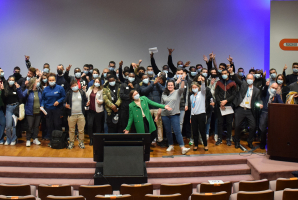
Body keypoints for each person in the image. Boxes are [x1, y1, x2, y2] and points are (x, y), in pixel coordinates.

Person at [157, 77, 190, 155]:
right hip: (164, 115)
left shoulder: (177, 92)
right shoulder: (164, 93)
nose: (170, 86)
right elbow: (161, 105)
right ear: (167, 86)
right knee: (168, 131)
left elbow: (182, 88)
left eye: (171, 85)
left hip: (174, 114)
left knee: (177, 131)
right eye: (169, 85)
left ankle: (182, 147)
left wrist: (182, 80)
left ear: (174, 85)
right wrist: (157, 115)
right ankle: (170, 145)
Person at [232, 73, 263, 149]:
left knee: (253, 127)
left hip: (250, 111)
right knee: (237, 126)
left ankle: (250, 142)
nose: (249, 80)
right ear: (246, 79)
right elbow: (236, 79)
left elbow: (259, 100)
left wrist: (261, 104)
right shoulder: (243, 85)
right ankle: (237, 142)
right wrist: (232, 73)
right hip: (240, 109)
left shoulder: (256, 90)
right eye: (248, 79)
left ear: (253, 80)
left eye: (251, 79)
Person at [16, 77, 42, 147]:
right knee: (30, 126)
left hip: (38, 112)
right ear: (33, 83)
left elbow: (42, 100)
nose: (38, 83)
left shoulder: (40, 91)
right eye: (37, 82)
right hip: (30, 112)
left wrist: (42, 106)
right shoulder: (28, 91)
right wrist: (18, 89)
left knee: (36, 126)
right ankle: (28, 139)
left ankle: (35, 138)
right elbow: (21, 96)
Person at [140, 74, 165, 144]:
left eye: (146, 77)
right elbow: (144, 92)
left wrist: (157, 83)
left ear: (149, 78)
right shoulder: (141, 86)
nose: (145, 79)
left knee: (159, 125)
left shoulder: (156, 84)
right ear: (141, 79)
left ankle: (160, 140)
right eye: (144, 78)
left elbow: (163, 90)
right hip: (148, 108)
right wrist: (152, 84)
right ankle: (150, 141)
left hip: (157, 107)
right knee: (149, 125)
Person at [214, 69, 237, 146]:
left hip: (229, 105)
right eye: (222, 73)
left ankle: (228, 138)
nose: (224, 74)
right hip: (220, 105)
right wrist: (220, 102)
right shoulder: (218, 82)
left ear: (228, 74)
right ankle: (219, 138)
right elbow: (216, 94)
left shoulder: (232, 83)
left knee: (229, 123)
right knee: (220, 122)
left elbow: (234, 95)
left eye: (225, 73)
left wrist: (226, 101)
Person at [41, 74, 65, 142]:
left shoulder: (60, 88)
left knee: (57, 124)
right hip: (48, 109)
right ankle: (51, 140)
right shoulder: (45, 89)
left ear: (55, 80)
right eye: (50, 80)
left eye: (53, 80)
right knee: (49, 125)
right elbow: (43, 99)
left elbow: (63, 97)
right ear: (48, 81)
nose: (51, 81)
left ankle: (59, 139)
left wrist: (58, 101)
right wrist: (42, 105)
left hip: (57, 109)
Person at [64, 80, 88, 149]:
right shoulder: (69, 93)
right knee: (71, 130)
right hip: (71, 115)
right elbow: (64, 102)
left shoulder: (82, 92)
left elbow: (85, 101)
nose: (75, 86)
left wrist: (87, 104)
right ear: (71, 87)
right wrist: (65, 106)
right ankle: (71, 143)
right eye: (73, 86)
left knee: (81, 130)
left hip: (81, 115)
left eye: (75, 85)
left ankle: (81, 143)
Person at [259, 83, 283, 149]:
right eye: (273, 87)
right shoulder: (266, 93)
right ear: (270, 87)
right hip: (264, 112)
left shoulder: (277, 96)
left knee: (273, 129)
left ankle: (272, 144)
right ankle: (262, 143)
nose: (274, 89)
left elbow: (281, 104)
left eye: (275, 88)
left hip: (273, 113)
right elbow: (263, 92)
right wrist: (266, 86)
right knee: (263, 129)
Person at [190, 78, 209, 151]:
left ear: (198, 87)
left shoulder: (202, 94)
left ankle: (205, 145)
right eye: (193, 87)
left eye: (196, 87)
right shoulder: (191, 96)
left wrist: (203, 82)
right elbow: (192, 107)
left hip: (201, 114)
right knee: (194, 131)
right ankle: (196, 145)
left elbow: (204, 88)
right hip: (193, 115)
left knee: (202, 131)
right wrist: (190, 117)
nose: (194, 89)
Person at [86, 77, 104, 145]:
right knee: (90, 125)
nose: (97, 83)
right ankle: (91, 138)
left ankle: (97, 139)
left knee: (98, 125)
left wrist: (100, 101)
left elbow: (103, 100)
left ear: (100, 83)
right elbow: (86, 96)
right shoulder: (90, 88)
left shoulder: (102, 90)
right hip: (90, 110)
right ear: (94, 82)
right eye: (96, 82)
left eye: (98, 82)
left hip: (98, 111)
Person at [3, 76, 20, 145]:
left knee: (14, 125)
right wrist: (2, 90)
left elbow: (20, 97)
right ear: (8, 81)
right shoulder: (5, 88)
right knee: (8, 125)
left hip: (15, 107)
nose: (11, 81)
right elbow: (3, 99)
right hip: (8, 108)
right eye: (10, 80)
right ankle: (8, 139)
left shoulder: (16, 88)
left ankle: (13, 139)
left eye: (13, 80)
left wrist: (19, 89)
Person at [173, 68, 189, 133]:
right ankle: (174, 135)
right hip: (173, 104)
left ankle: (179, 136)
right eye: (178, 73)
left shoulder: (185, 82)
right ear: (176, 73)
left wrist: (186, 104)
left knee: (180, 122)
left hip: (182, 104)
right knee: (173, 121)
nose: (180, 75)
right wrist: (177, 82)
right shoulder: (172, 80)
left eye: (181, 73)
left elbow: (187, 94)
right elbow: (169, 90)